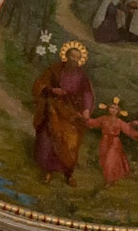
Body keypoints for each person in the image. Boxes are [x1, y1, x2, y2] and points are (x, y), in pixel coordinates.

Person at [33, 42, 95, 186]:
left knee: (70, 142)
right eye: (72, 56)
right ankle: (47, 171)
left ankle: (68, 173)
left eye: (77, 58)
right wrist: (52, 90)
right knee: (49, 140)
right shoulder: (55, 69)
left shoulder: (82, 76)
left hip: (72, 112)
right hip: (53, 108)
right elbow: (40, 83)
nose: (74, 59)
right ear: (66, 55)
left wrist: (86, 109)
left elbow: (87, 93)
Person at [85, 98, 138, 185]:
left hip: (114, 142)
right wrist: (84, 118)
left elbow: (129, 130)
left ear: (119, 111)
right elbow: (92, 123)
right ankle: (111, 178)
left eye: (116, 109)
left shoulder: (119, 122)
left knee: (110, 160)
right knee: (104, 160)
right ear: (108, 108)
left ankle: (109, 180)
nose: (113, 110)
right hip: (104, 142)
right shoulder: (103, 119)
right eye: (112, 108)